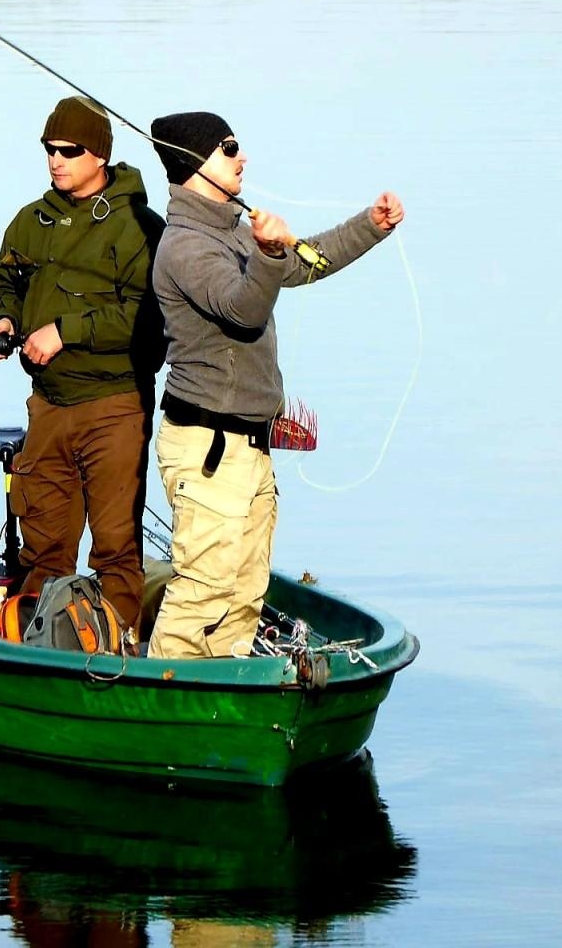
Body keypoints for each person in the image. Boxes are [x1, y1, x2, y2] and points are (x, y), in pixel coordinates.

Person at [144, 111, 404, 660]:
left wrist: (370, 225)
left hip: (250, 448)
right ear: (196, 162)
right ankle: (162, 699)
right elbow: (243, 310)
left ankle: (225, 702)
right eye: (230, 147)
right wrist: (266, 254)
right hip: (208, 449)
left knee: (244, 593)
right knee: (203, 589)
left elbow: (303, 262)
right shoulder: (185, 246)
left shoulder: (234, 229)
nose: (243, 158)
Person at [0, 96, 166, 634]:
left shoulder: (139, 226)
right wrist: (7, 321)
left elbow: (148, 317)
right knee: (44, 545)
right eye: (48, 149)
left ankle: (122, 652)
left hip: (115, 405)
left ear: (100, 155)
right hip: (50, 406)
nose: (55, 160)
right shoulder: (31, 221)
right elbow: (9, 279)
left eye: (68, 150)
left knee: (115, 545)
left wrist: (65, 332)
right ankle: (40, 646)